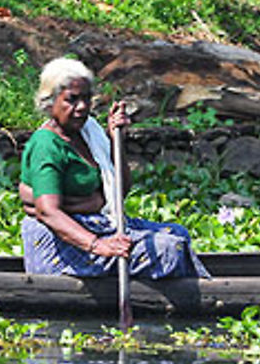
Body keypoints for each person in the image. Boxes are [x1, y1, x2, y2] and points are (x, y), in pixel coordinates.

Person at [19, 57, 209, 278]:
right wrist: (97, 244)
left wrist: (114, 139)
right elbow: (47, 211)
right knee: (168, 248)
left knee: (178, 233)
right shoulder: (46, 144)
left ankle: (183, 301)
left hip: (98, 225)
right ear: (50, 102)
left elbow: (120, 191)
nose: (82, 108)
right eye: (72, 100)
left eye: (86, 99)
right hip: (65, 247)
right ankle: (179, 308)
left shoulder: (88, 132)